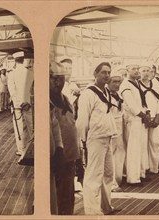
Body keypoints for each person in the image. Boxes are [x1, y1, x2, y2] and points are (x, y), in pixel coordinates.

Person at [76, 61, 116, 215]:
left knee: (107, 174)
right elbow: (82, 119)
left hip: (107, 136)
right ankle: (92, 211)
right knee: (94, 175)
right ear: (95, 74)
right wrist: (83, 140)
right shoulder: (88, 93)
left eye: (108, 72)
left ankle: (106, 206)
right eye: (103, 72)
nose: (106, 75)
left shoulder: (105, 91)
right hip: (95, 139)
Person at [49, 61, 80, 215]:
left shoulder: (66, 99)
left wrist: (78, 159)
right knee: (56, 200)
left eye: (60, 78)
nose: (57, 82)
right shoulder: (46, 102)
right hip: (56, 159)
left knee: (68, 197)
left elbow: (72, 127)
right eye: (53, 78)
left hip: (70, 158)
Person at [120, 62, 151, 187]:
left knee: (141, 147)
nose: (137, 70)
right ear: (127, 70)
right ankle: (133, 178)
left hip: (140, 118)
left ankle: (140, 173)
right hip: (133, 119)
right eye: (134, 68)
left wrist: (146, 111)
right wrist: (143, 115)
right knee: (133, 148)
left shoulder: (136, 83)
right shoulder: (125, 85)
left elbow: (141, 100)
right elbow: (131, 104)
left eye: (138, 68)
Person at [7, 52, 34, 165]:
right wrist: (26, 102)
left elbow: (12, 91)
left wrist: (18, 103)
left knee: (19, 127)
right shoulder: (30, 72)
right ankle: (32, 148)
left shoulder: (12, 74)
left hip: (17, 106)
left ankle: (21, 150)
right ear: (23, 60)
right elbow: (31, 89)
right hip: (28, 104)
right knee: (31, 126)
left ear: (15, 60)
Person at [107, 67, 126, 191]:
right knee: (110, 157)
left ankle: (118, 179)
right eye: (114, 82)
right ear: (108, 83)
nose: (117, 84)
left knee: (120, 154)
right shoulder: (106, 96)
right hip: (110, 128)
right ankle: (111, 183)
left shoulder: (117, 95)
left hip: (119, 128)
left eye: (119, 82)